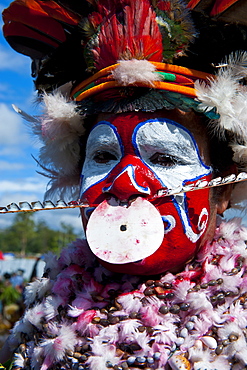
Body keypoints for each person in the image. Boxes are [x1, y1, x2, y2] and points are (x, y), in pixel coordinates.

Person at [1, 0, 247, 369]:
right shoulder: (40, 320)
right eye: (102, 157)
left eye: (165, 158)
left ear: (222, 190)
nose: (126, 183)